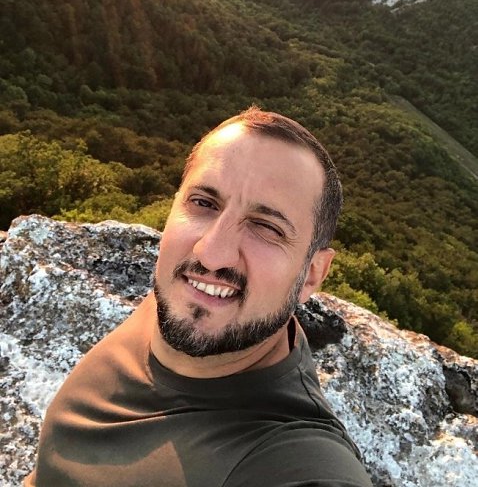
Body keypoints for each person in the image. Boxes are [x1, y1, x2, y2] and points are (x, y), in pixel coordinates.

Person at [25, 106, 373, 487]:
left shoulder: (294, 461)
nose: (211, 253)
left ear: (312, 274)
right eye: (204, 203)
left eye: (266, 227)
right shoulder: (170, 302)